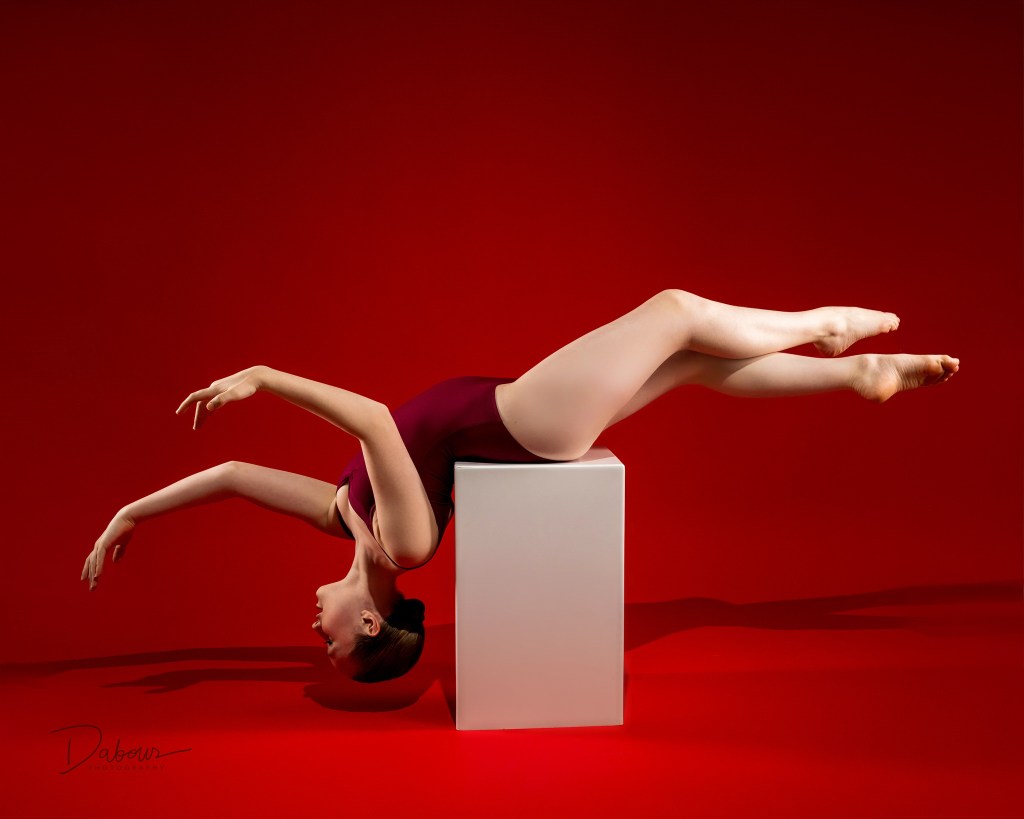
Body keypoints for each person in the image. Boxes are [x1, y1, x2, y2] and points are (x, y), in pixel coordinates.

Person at [80, 289, 959, 682]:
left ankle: (857, 376)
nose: (317, 633)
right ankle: (825, 327)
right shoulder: (404, 543)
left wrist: (130, 511)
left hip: (517, 403)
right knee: (675, 313)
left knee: (693, 360)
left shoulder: (338, 517)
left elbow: (232, 476)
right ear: (375, 622)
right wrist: (266, 376)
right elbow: (379, 422)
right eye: (337, 646)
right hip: (526, 421)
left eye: (325, 648)